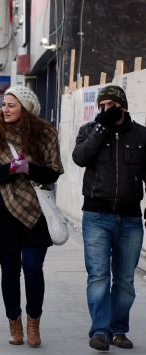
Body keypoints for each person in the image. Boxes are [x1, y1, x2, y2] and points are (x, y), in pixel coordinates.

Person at [0, 85, 64, 348]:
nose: (4, 109)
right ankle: (14, 324)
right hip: (5, 210)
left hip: (36, 212)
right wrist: (9, 169)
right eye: (4, 104)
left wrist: (30, 169)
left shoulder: (46, 135)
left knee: (32, 268)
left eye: (11, 104)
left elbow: (53, 172)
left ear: (25, 108)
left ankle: (33, 323)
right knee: (9, 271)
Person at [72, 85, 146, 351]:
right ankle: (100, 331)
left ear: (123, 107)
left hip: (130, 219)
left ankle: (119, 330)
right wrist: (101, 127)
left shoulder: (141, 134)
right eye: (101, 106)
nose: (106, 110)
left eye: (111, 106)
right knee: (99, 276)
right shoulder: (89, 131)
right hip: (96, 216)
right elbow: (80, 158)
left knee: (125, 280)